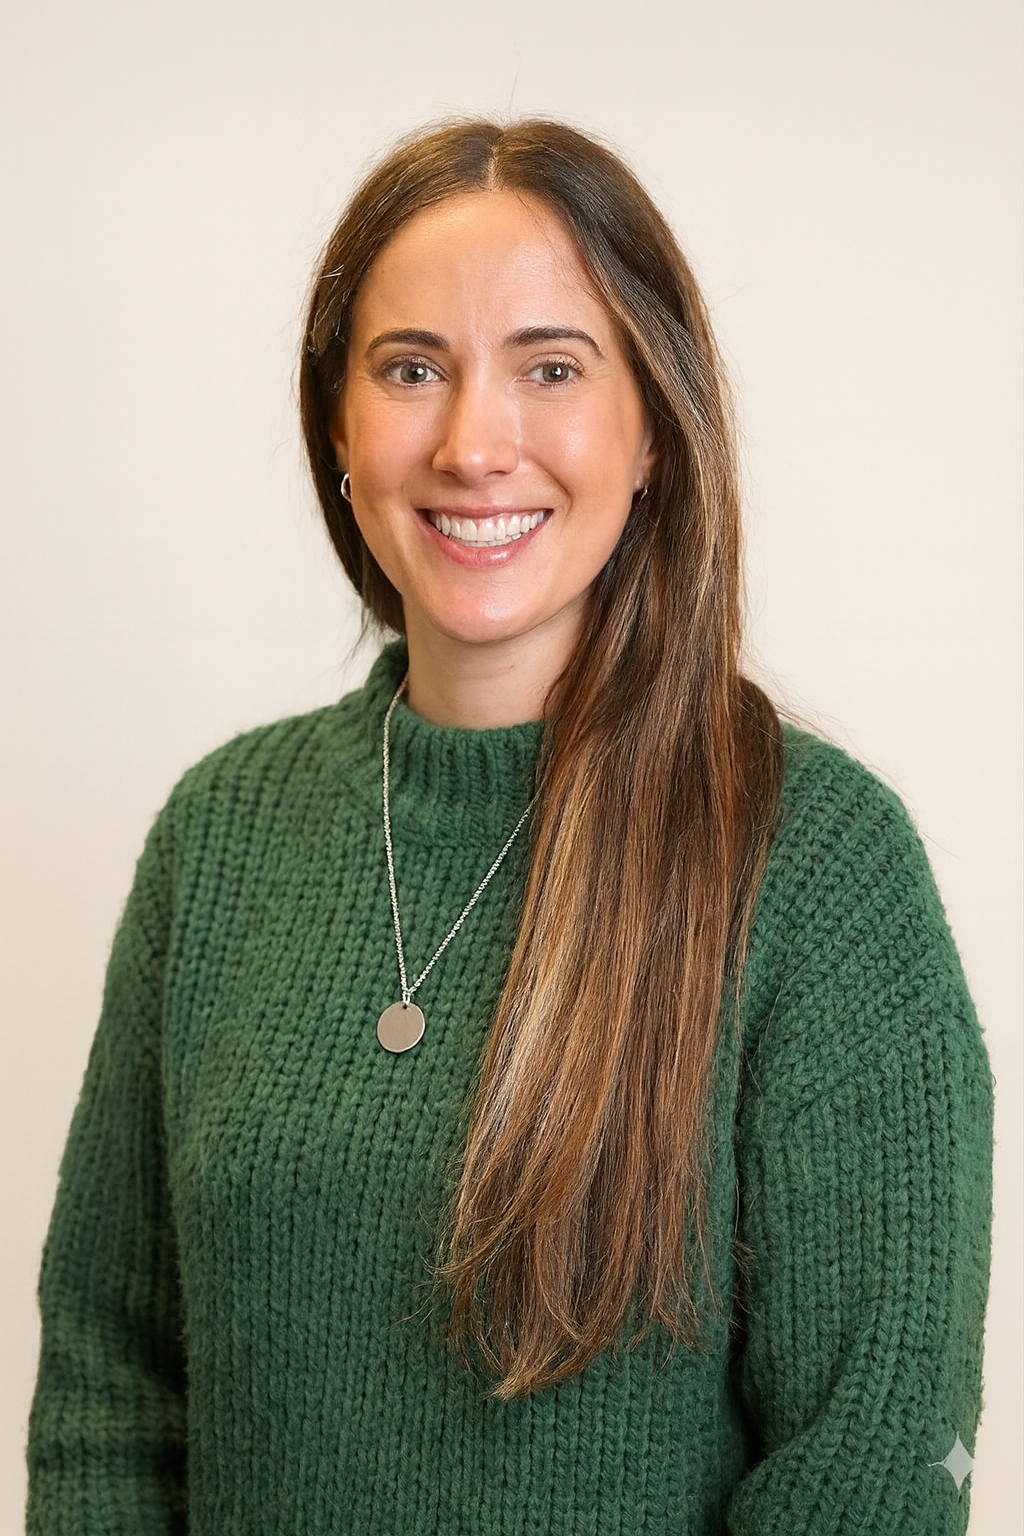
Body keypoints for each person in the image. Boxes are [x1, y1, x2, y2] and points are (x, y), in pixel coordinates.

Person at [27, 119, 991, 1535]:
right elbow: (111, 1389)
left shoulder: (815, 863)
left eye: (551, 368)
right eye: (412, 369)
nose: (476, 443)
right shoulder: (219, 837)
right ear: (340, 432)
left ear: (651, 424)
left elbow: (872, 1464)